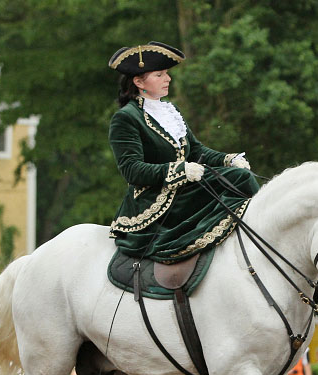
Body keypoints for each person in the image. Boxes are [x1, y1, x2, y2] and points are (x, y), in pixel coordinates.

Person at [107, 41, 258, 263]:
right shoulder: (126, 118)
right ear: (139, 82)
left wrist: (228, 159)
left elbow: (196, 150)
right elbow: (132, 170)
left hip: (183, 190)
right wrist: (179, 170)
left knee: (239, 176)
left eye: (166, 73)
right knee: (239, 179)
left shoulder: (169, 111)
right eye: (159, 75)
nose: (168, 79)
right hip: (155, 201)